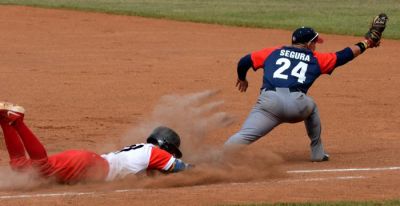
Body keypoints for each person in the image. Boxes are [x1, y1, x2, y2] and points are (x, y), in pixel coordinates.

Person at [224, 14, 388, 161]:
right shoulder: (316, 59)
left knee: (243, 135)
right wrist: (367, 42)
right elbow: (344, 55)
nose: (316, 45)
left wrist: (242, 78)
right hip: (297, 106)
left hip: (269, 105)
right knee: (312, 106)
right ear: (309, 44)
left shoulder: (272, 52)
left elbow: (244, 61)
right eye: (315, 42)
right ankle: (317, 153)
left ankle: (214, 160)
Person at [0, 102, 191, 184]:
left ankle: (4, 121)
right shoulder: (155, 153)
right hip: (89, 166)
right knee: (43, 167)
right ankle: (18, 122)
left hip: (88, 163)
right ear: (166, 147)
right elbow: (183, 168)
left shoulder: (144, 151)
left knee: (22, 167)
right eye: (172, 152)